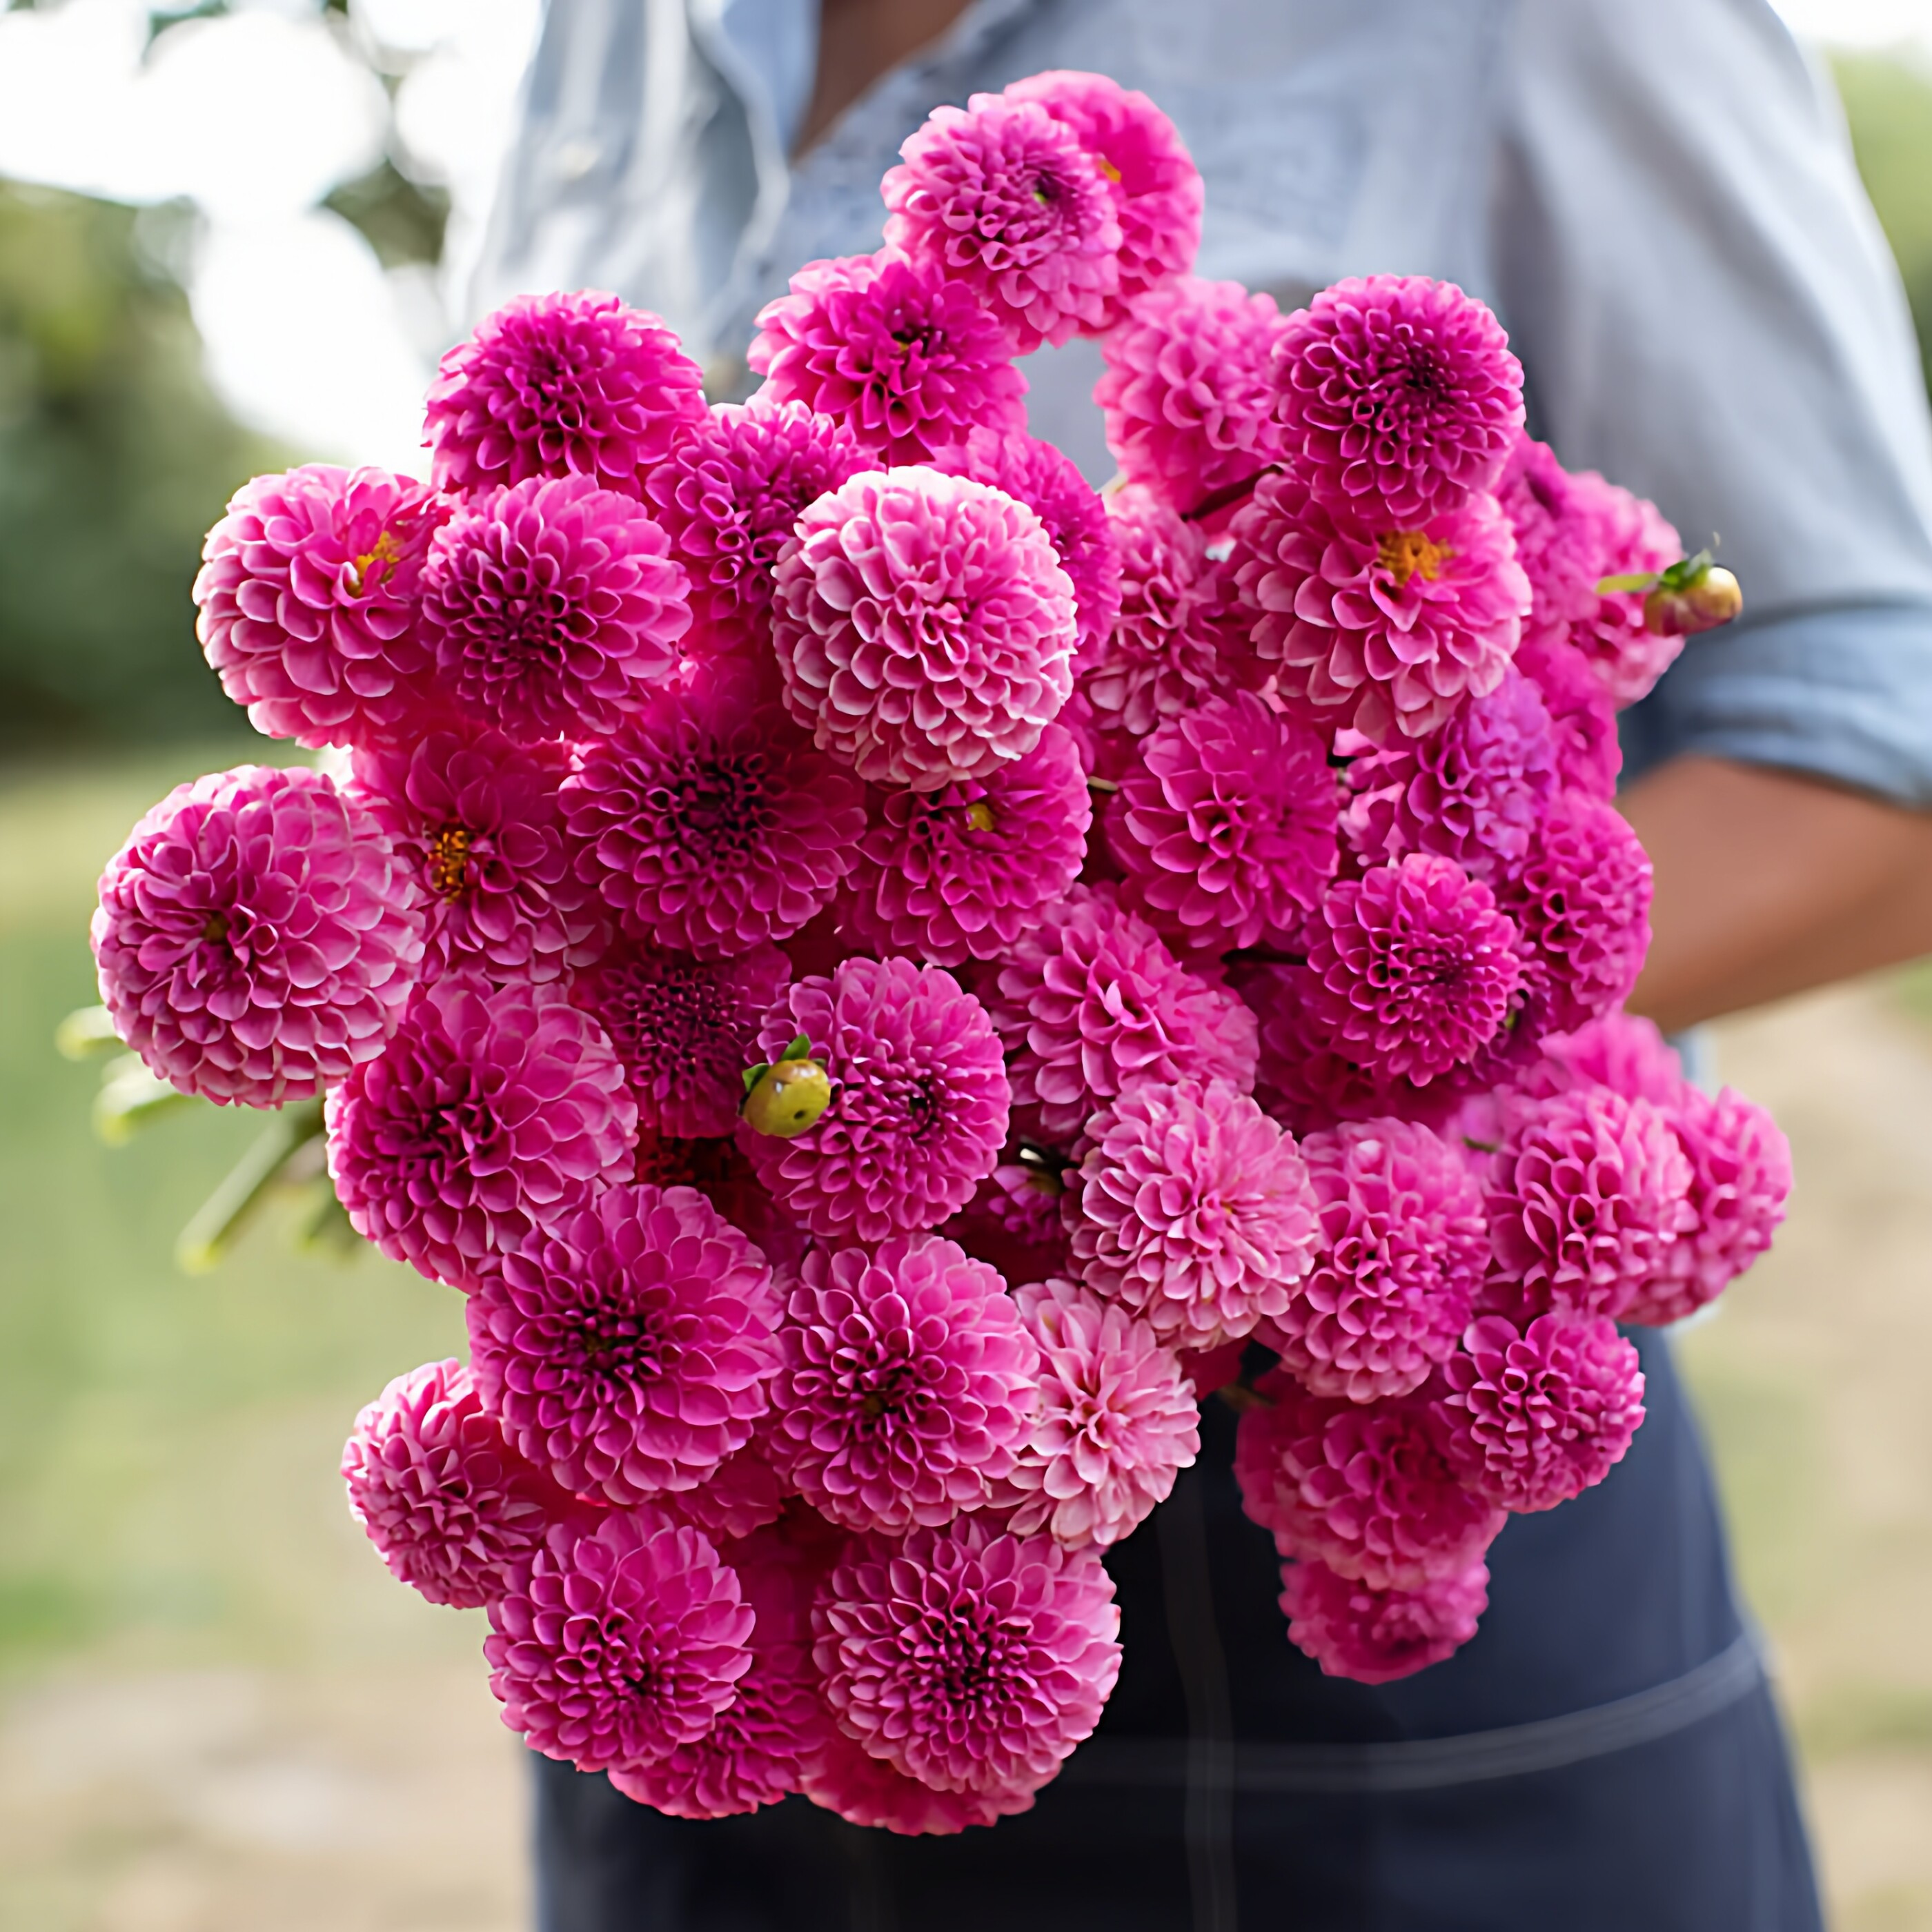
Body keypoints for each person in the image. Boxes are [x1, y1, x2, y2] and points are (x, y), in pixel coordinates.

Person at [469, 2, 1932, 1926]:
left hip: (1361, 1406)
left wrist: (1313, 1034)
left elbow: (1889, 752)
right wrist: (496, 1019)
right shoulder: (601, 38)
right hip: (698, 1493)